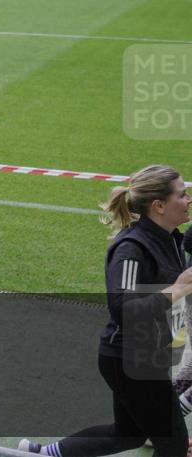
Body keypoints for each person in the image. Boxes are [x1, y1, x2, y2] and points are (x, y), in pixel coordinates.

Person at [20, 165, 192, 457]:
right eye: (183, 195)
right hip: (130, 360)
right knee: (173, 445)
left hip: (149, 355)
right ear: (159, 205)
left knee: (128, 435)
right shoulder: (132, 247)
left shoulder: (171, 238)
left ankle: (41, 454)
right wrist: (175, 289)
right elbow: (123, 307)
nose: (189, 200)